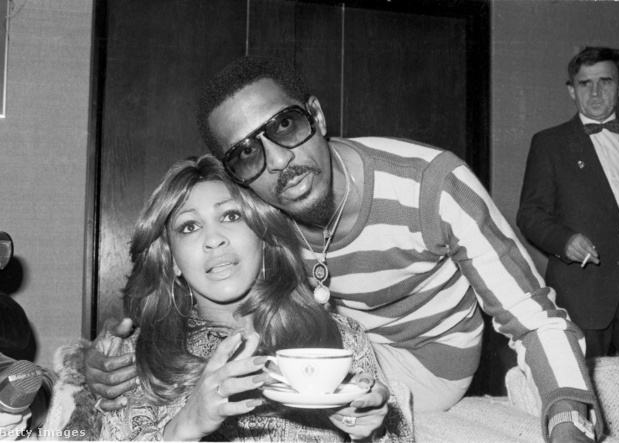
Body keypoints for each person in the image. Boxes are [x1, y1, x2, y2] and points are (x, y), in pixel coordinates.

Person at [87, 56, 603, 442]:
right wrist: (114, 354)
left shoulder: (431, 184)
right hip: (332, 337)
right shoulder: (255, 207)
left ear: (317, 115)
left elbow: (533, 315)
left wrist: (568, 420)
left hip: (428, 366)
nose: (279, 162)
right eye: (245, 153)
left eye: (285, 126)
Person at [80, 154, 410, 441]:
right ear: (172, 260)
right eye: (189, 226)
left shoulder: (343, 340)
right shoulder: (132, 359)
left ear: (262, 234)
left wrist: (368, 432)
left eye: (230, 216)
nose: (214, 240)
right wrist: (184, 427)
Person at [517, 46, 619, 360]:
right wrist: (565, 241)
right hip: (583, 295)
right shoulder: (549, 143)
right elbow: (530, 214)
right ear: (571, 91)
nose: (595, 92)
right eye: (584, 83)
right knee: (583, 385)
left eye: (605, 82)